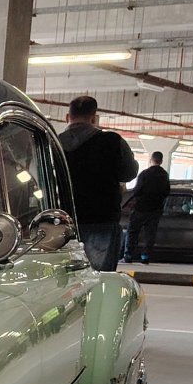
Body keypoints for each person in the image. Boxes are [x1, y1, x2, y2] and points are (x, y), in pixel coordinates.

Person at [58, 96, 138, 272]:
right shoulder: (112, 142)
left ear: (67, 117)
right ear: (94, 118)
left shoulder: (52, 143)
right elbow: (129, 173)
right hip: (102, 218)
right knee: (100, 277)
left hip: (61, 221)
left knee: (64, 277)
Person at [123, 151, 170, 264]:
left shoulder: (145, 173)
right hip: (155, 210)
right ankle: (145, 257)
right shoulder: (164, 175)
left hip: (141, 208)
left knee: (133, 232)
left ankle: (128, 256)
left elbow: (137, 190)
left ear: (151, 160)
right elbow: (166, 191)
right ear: (161, 161)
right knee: (150, 234)